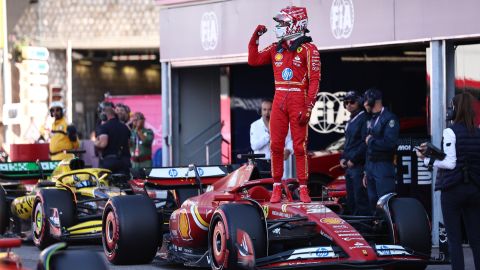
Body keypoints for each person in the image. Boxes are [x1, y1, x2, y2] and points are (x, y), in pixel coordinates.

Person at [248, 6, 321, 203]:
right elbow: (253, 60)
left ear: (296, 24)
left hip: (298, 99)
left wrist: (308, 106)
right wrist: (255, 37)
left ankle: (303, 187)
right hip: (279, 99)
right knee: (276, 145)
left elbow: (315, 80)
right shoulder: (275, 48)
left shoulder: (309, 49)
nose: (278, 27)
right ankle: (276, 186)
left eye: (282, 23)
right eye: (278, 23)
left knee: (299, 146)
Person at [416, 92, 480, 270]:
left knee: (454, 239)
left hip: (453, 190)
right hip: (475, 189)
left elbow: (450, 163)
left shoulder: (450, 131)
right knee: (476, 239)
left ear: (456, 109)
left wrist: (426, 159)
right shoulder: (478, 132)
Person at [362, 88, 399, 213]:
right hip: (371, 166)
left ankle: (388, 231)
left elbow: (390, 144)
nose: (364, 104)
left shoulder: (389, 118)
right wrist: (366, 171)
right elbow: (368, 148)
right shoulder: (372, 119)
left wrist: (371, 140)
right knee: (372, 201)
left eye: (366, 101)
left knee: (385, 201)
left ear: (373, 101)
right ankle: (377, 228)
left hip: (383, 165)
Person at [339, 91, 370, 215]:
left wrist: (354, 159)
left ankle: (364, 230)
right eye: (346, 102)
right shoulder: (350, 120)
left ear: (360, 102)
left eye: (352, 101)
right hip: (349, 166)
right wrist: (342, 158)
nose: (349, 105)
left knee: (360, 199)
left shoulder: (364, 118)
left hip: (359, 166)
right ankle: (354, 229)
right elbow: (347, 143)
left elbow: (365, 143)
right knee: (351, 200)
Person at [250, 99, 293, 178]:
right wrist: (269, 134)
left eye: (270, 109)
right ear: (261, 111)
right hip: (261, 163)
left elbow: (290, 140)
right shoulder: (254, 125)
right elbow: (254, 146)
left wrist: (288, 150)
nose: (267, 112)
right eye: (264, 110)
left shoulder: (282, 124)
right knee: (263, 188)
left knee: (279, 187)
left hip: (278, 162)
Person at [94, 106, 131, 175]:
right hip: (125, 162)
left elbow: (103, 144)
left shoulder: (104, 127)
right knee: (124, 183)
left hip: (110, 162)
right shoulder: (125, 127)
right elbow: (129, 144)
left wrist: (95, 142)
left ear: (104, 116)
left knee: (107, 184)